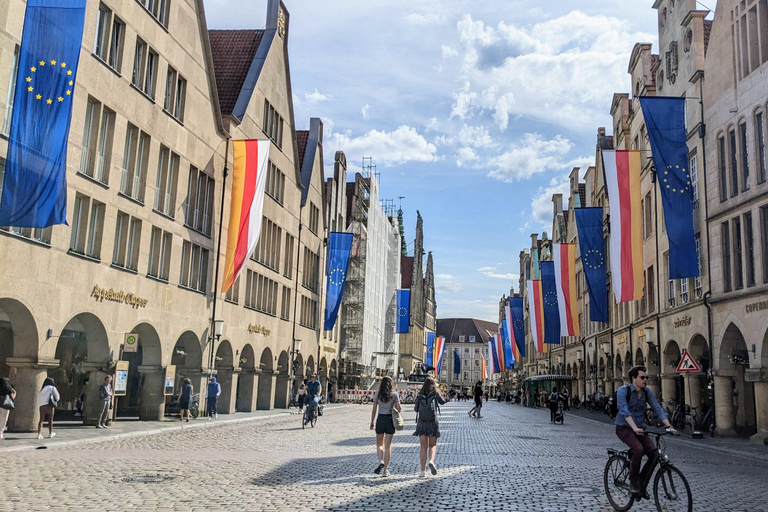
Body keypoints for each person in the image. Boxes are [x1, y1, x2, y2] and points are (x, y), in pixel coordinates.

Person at [615, 365, 676, 497]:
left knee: (654, 454)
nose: (645, 380)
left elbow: (657, 408)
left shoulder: (647, 392)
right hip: (624, 428)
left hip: (639, 429)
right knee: (638, 449)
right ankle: (633, 483)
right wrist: (634, 428)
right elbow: (624, 410)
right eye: (642, 377)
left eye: (646, 377)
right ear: (634, 378)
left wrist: (668, 425)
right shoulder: (623, 391)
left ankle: (641, 484)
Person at [414, 377, 445, 477]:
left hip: (422, 422)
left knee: (423, 447)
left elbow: (416, 409)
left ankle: (422, 471)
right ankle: (431, 461)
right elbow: (443, 401)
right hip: (432, 422)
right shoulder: (435, 394)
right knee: (432, 445)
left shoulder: (419, 395)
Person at [370, 376, 401, 477]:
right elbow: (399, 409)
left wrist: (372, 422)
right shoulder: (394, 395)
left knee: (379, 444)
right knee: (388, 446)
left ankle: (380, 461)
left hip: (380, 419)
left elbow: (374, 410)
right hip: (390, 420)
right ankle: (385, 470)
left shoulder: (378, 395)